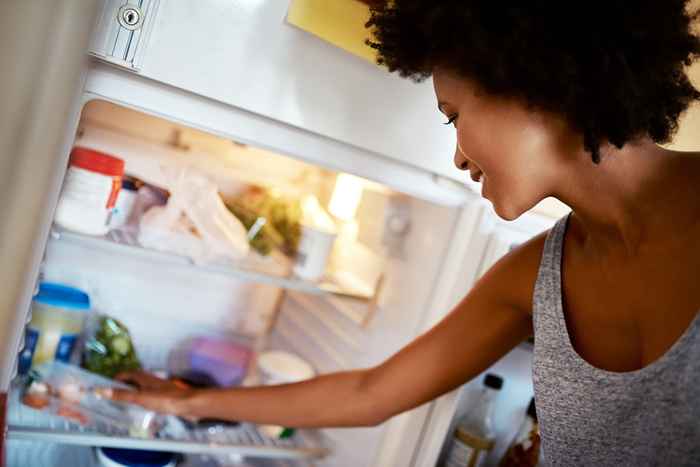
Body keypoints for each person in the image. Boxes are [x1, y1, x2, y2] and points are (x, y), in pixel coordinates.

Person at [101, 1, 700, 465]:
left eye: (454, 116)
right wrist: (187, 401)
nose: (459, 157)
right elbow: (371, 392)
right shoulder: (534, 275)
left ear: (532, 77)